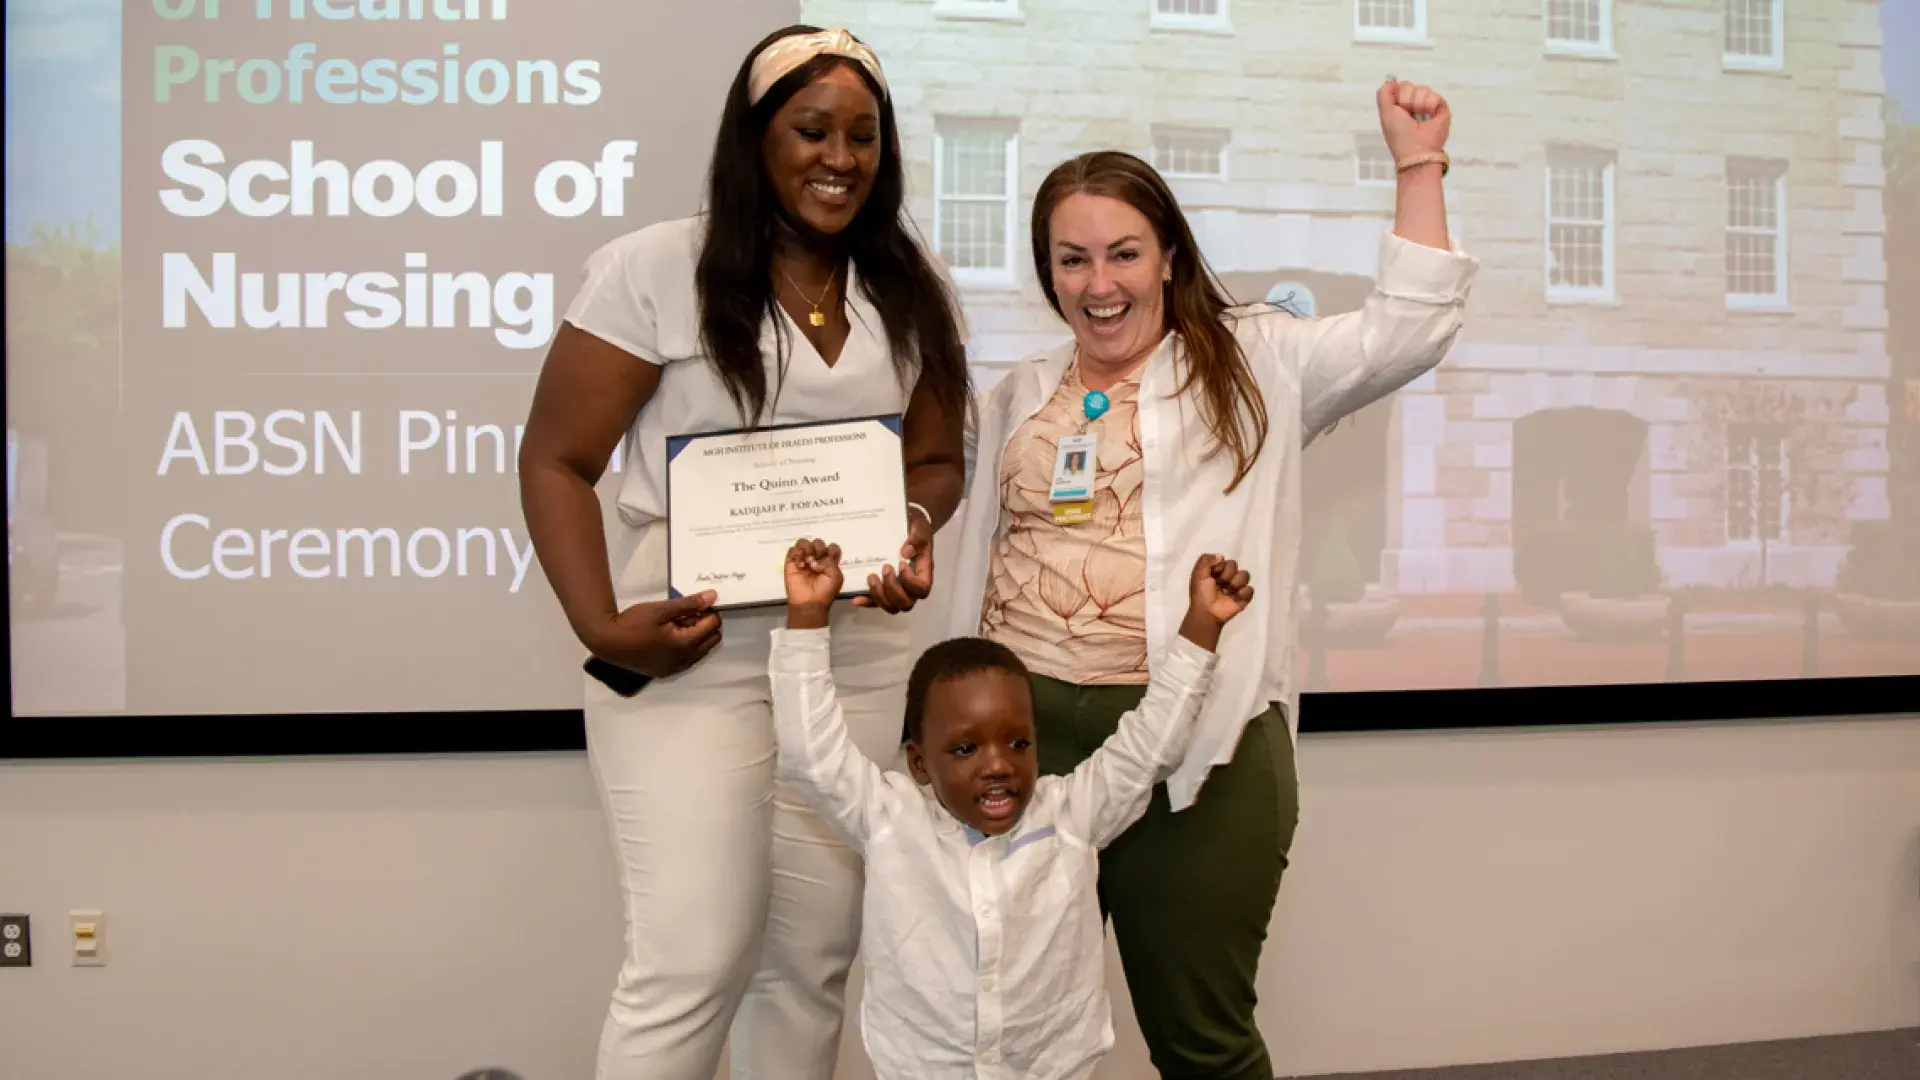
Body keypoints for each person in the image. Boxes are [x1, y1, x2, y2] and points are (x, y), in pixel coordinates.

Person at [942, 79, 1480, 1078]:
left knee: (1201, 1043)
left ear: (1168, 257)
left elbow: (1411, 328)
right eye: (1072, 259)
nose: (1099, 283)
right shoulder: (1019, 393)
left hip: (1196, 744)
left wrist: (1417, 165)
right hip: (1020, 746)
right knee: (1003, 1039)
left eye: (1123, 253)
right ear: (1046, 273)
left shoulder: (1256, 362)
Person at [516, 25, 970, 1080]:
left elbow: (936, 462)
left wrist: (909, 531)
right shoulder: (652, 270)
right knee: (692, 963)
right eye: (812, 130)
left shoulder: (908, 282)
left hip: (852, 661)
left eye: (864, 136)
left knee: (809, 966)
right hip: (693, 659)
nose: (840, 158)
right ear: (756, 138)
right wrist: (599, 625)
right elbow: (555, 459)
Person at [770, 538, 1255, 1079]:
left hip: (1052, 1067)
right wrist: (808, 617)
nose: (997, 764)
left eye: (1017, 743)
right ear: (919, 762)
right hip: (923, 1067)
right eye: (965, 748)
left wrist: (1201, 627)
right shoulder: (888, 817)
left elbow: (1150, 746)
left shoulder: (1070, 815)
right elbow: (811, 753)